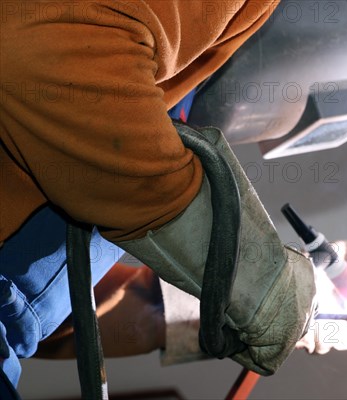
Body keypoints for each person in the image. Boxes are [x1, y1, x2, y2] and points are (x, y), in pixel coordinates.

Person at [0, 0, 318, 393]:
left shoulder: (152, 78)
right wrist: (260, 284)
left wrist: (220, 301)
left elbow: (44, 312)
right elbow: (37, 44)